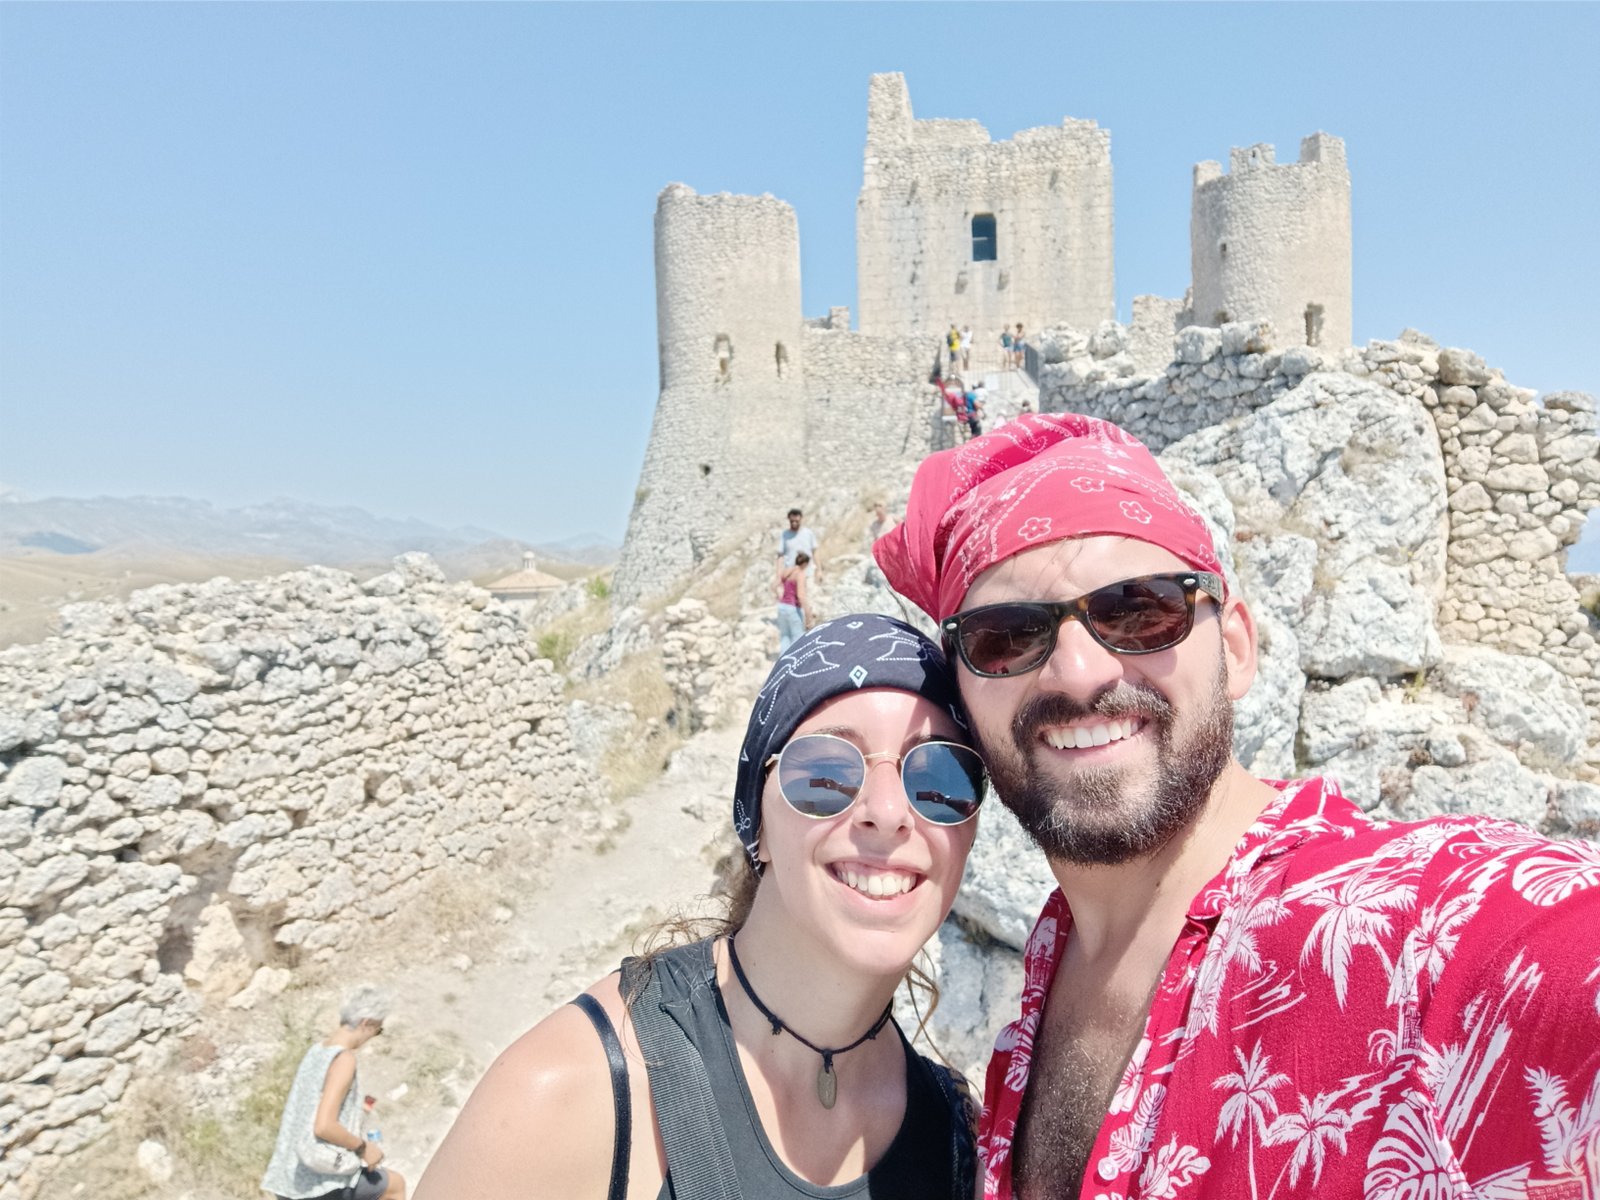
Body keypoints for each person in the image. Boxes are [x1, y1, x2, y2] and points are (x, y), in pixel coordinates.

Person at [873, 412, 1600, 1199]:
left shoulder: (1423, 925)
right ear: (965, 701)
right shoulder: (1049, 973)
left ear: (1238, 650)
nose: (1079, 673)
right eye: (1005, 639)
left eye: (1139, 610)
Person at [416, 614, 987, 1199]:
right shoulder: (569, 1094)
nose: (889, 811)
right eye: (825, 773)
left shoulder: (953, 1134)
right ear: (757, 824)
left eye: (940, 777)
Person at [261, 986, 405, 1200]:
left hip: (288, 1178)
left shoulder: (316, 1051)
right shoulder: (343, 1059)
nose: (375, 1036)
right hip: (317, 1182)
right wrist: (364, 1148)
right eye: (378, 1029)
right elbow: (324, 1126)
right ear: (366, 1023)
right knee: (394, 1186)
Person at [775, 550, 810, 651]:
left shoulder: (787, 572)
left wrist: (777, 596)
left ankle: (783, 664)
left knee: (785, 637)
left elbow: (774, 586)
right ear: (805, 564)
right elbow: (801, 595)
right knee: (798, 639)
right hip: (793, 608)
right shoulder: (800, 574)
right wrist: (808, 615)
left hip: (782, 606)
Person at [777, 506, 819, 586]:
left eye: (796, 520)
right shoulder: (785, 535)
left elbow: (815, 552)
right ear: (789, 519)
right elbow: (780, 556)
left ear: (801, 519)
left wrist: (819, 570)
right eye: (792, 520)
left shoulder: (808, 533)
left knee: (805, 596)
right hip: (790, 575)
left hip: (807, 574)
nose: (794, 522)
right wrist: (779, 575)